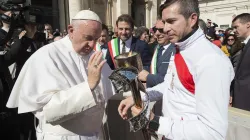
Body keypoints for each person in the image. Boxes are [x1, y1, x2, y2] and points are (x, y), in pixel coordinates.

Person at [118, 0, 234, 140]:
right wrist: (141, 96)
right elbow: (169, 85)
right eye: (164, 22)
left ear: (192, 19)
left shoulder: (211, 60)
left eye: (171, 21)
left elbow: (213, 133)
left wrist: (154, 121)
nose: (166, 29)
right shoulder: (180, 48)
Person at [7, 10, 114, 140]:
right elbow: (50, 111)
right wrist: (89, 86)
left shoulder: (94, 56)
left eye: (96, 39)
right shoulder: (46, 56)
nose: (92, 45)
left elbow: (112, 92)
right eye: (88, 38)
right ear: (71, 30)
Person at [138, 17, 175, 88]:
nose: (157, 33)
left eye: (161, 30)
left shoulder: (176, 50)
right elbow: (154, 68)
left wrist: (148, 77)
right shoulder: (157, 48)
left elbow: (171, 81)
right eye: (155, 29)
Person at [231, 13, 250, 111]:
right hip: (240, 98)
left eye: (236, 27)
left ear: (248, 24)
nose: (234, 31)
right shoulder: (244, 44)